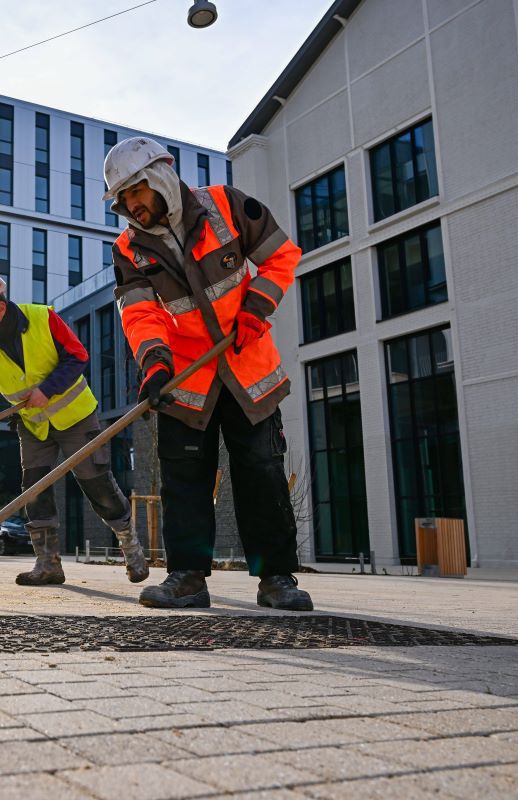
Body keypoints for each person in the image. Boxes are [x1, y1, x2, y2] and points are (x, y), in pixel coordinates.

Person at [102, 136, 313, 611]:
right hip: (186, 379)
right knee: (184, 479)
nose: (131, 205)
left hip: (246, 365)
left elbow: (281, 256)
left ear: (160, 179)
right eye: (122, 198)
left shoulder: (229, 207)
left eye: (136, 191)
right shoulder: (128, 249)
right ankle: (188, 578)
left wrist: (257, 308)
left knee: (261, 473)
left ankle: (277, 578)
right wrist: (155, 362)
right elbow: (140, 313)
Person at [0, 271, 147, 587]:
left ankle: (129, 544)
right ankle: (48, 564)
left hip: (77, 418)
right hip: (33, 426)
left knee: (97, 485)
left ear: (0, 308)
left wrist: (48, 388)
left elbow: (78, 356)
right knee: (34, 491)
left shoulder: (44, 318)